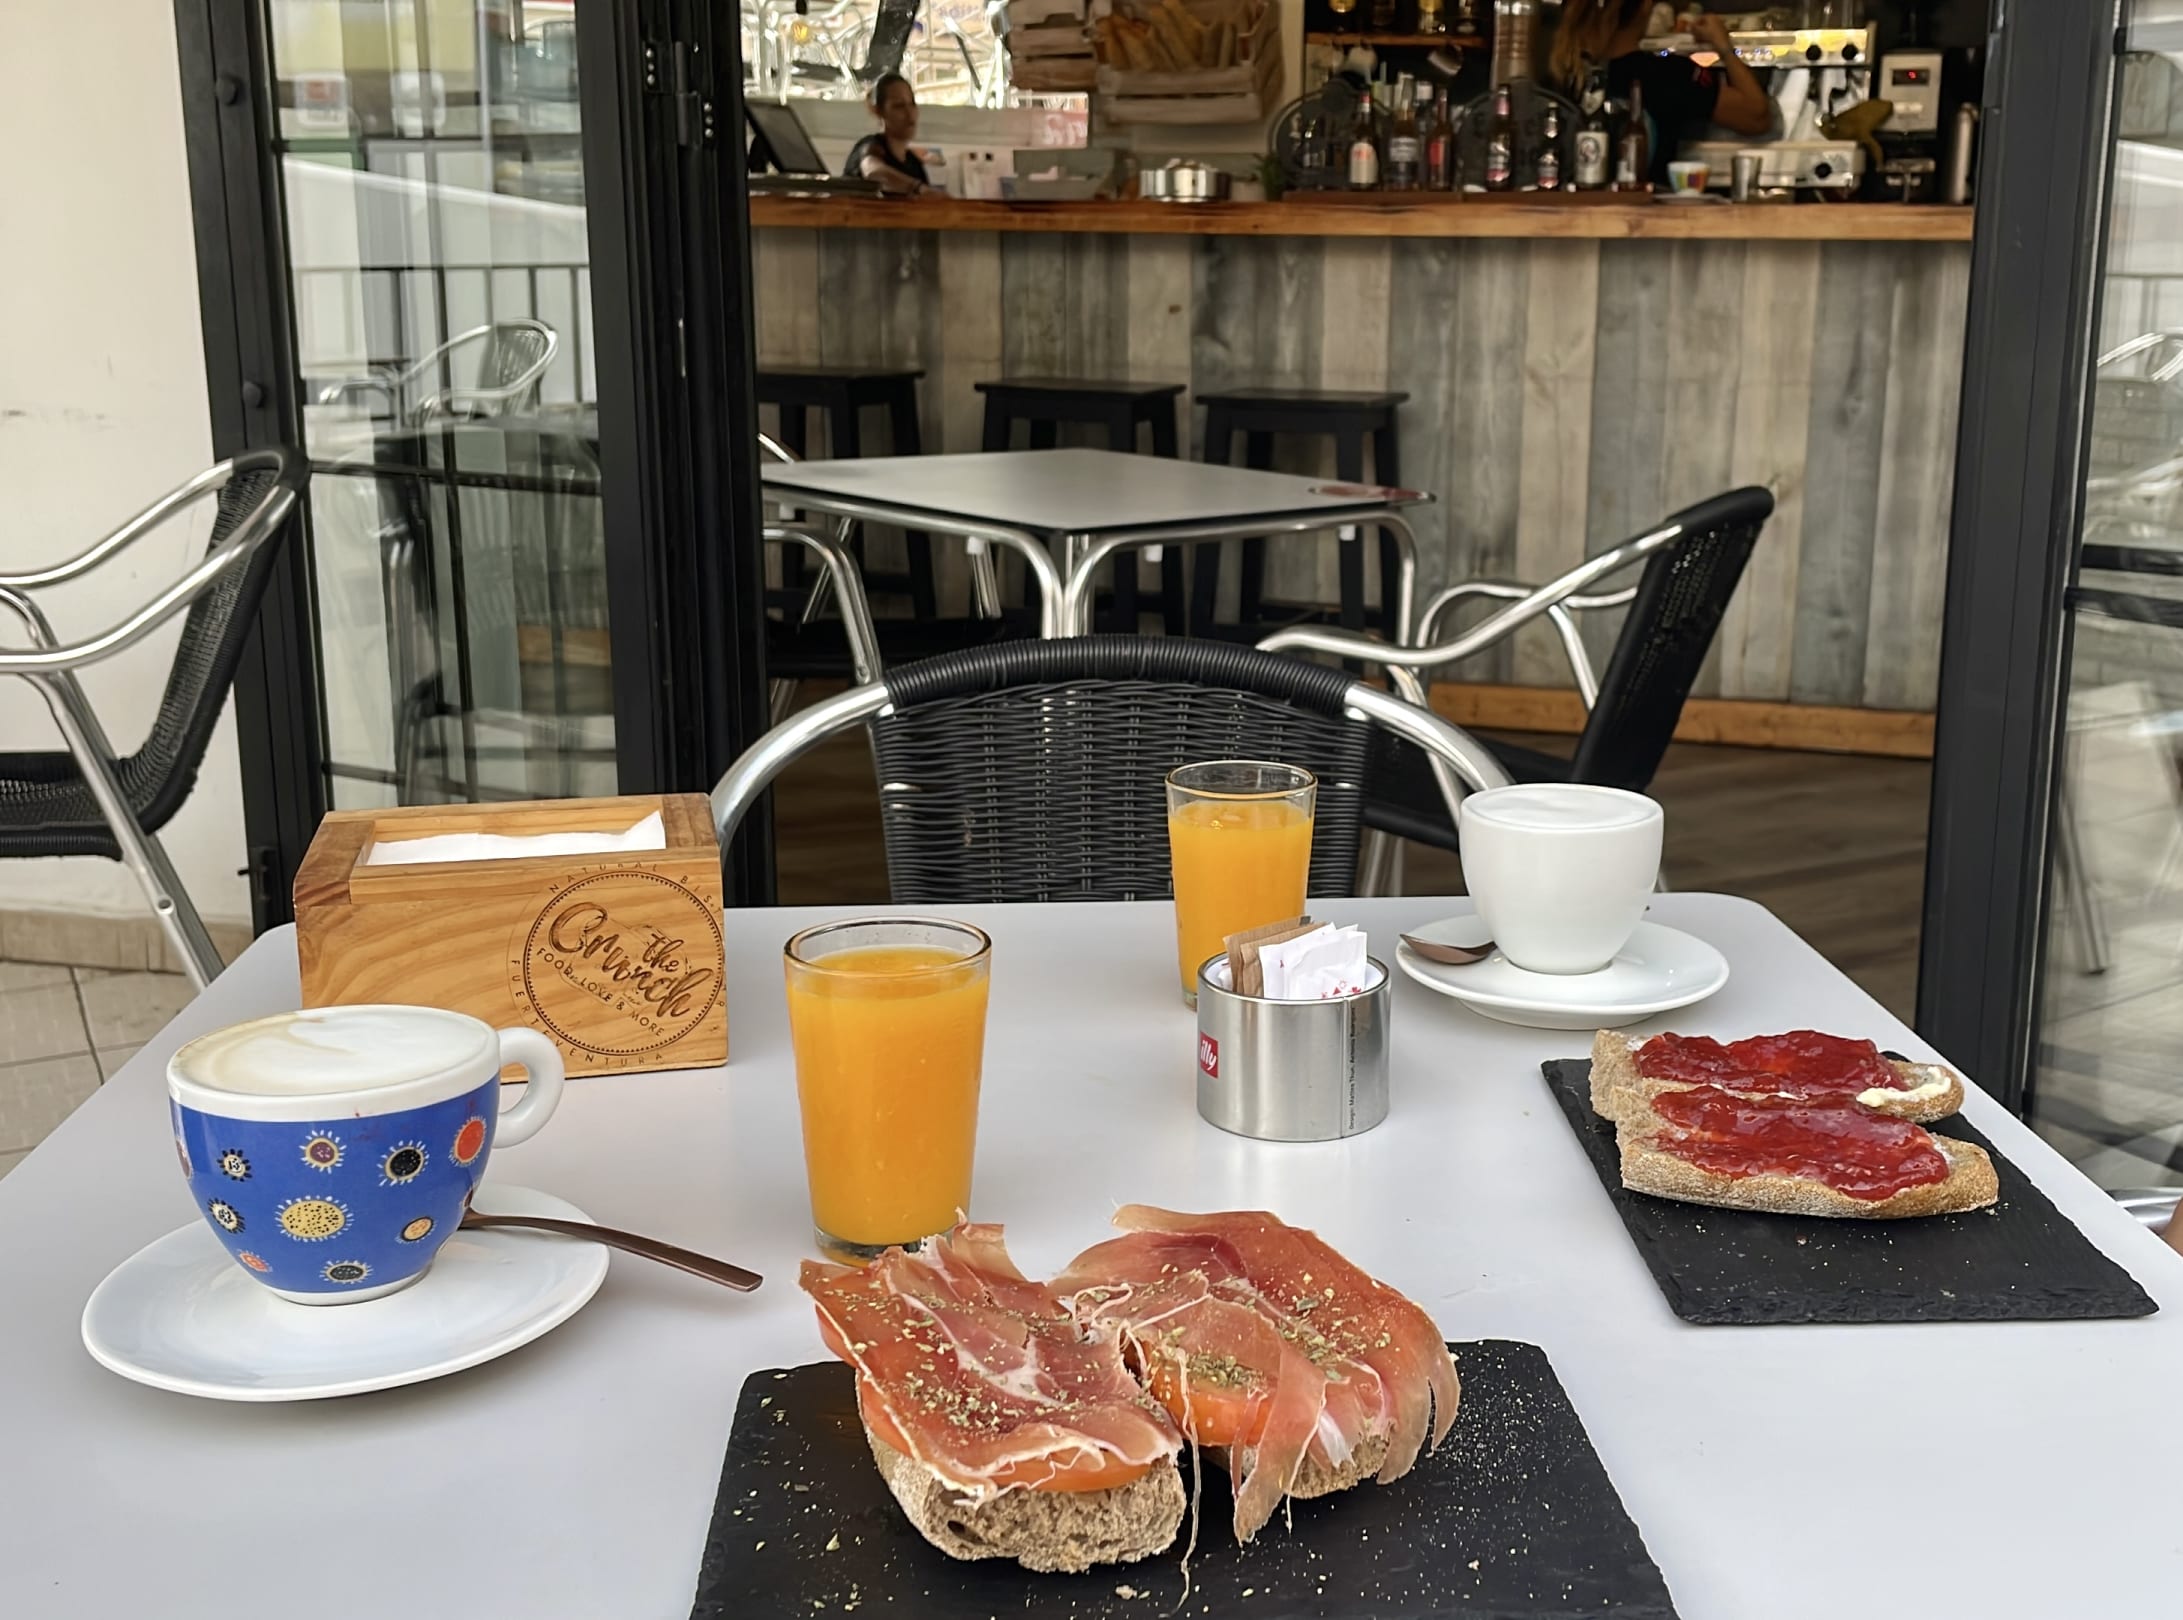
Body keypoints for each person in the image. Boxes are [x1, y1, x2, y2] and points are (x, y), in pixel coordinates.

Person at [1549, 2, 1771, 186]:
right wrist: (1723, 46)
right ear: (1645, 8)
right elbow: (1757, 117)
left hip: (1572, 213)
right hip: (1645, 215)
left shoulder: (1563, 75)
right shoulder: (1669, 74)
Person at [843, 72, 935, 197]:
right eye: (899, 106)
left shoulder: (914, 165)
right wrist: (918, 188)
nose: (910, 113)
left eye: (912, 104)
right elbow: (874, 172)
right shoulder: (869, 146)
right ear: (879, 111)